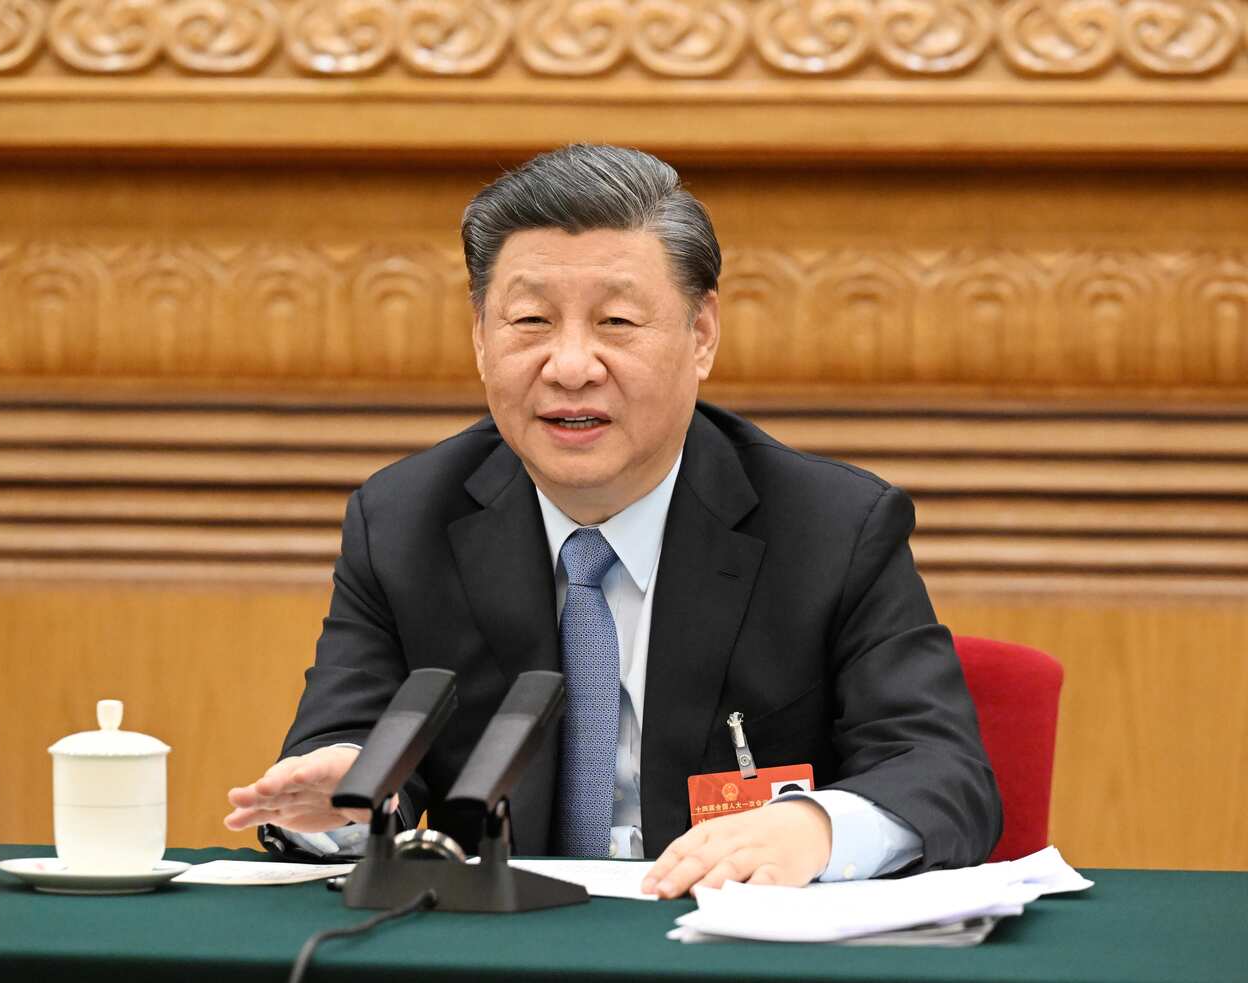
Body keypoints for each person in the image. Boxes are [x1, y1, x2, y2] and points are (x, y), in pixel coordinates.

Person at [224, 145, 1002, 898]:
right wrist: (344, 801)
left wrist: (812, 829)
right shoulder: (402, 522)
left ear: (701, 334)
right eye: (529, 320)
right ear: (479, 337)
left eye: (617, 323)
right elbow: (347, 746)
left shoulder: (831, 528)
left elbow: (942, 772)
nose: (570, 366)